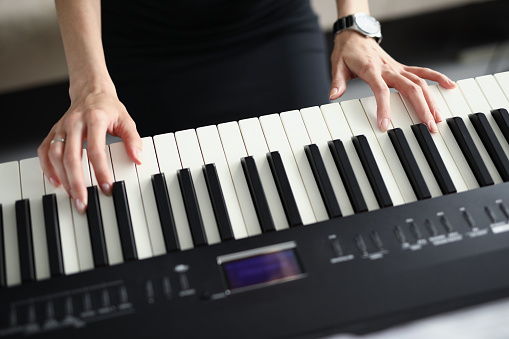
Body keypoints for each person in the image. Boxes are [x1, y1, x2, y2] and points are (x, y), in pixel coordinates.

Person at [38, 0, 456, 214]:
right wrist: (90, 84)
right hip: (141, 40)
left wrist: (355, 26)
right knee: (165, 207)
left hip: (269, 25)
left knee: (317, 194)